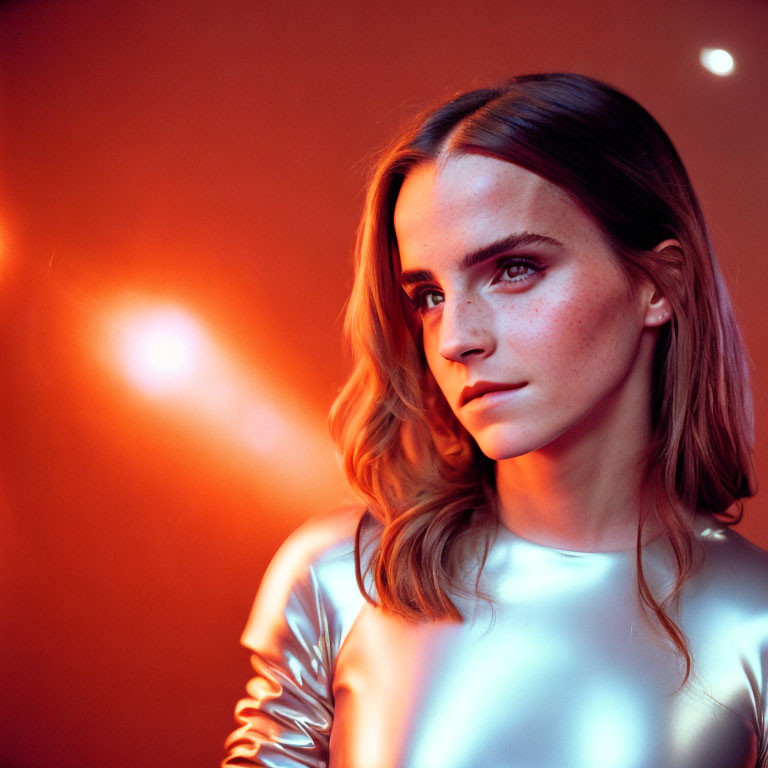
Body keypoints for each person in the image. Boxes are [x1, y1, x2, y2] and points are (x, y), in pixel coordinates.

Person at [221, 73, 767, 767]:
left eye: (513, 269)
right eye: (427, 295)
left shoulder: (755, 619)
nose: (457, 339)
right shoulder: (343, 577)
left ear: (658, 285)